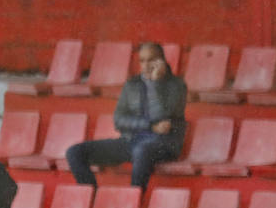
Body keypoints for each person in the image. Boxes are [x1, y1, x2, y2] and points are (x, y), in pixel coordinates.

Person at [65, 43, 187, 192]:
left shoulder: (177, 85)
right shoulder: (132, 85)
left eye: (151, 60)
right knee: (75, 152)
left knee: (142, 150)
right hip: (131, 141)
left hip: (164, 144)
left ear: (161, 61)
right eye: (142, 61)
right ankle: (92, 196)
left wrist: (155, 84)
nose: (146, 65)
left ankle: (134, 199)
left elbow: (163, 116)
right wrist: (149, 126)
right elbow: (119, 121)